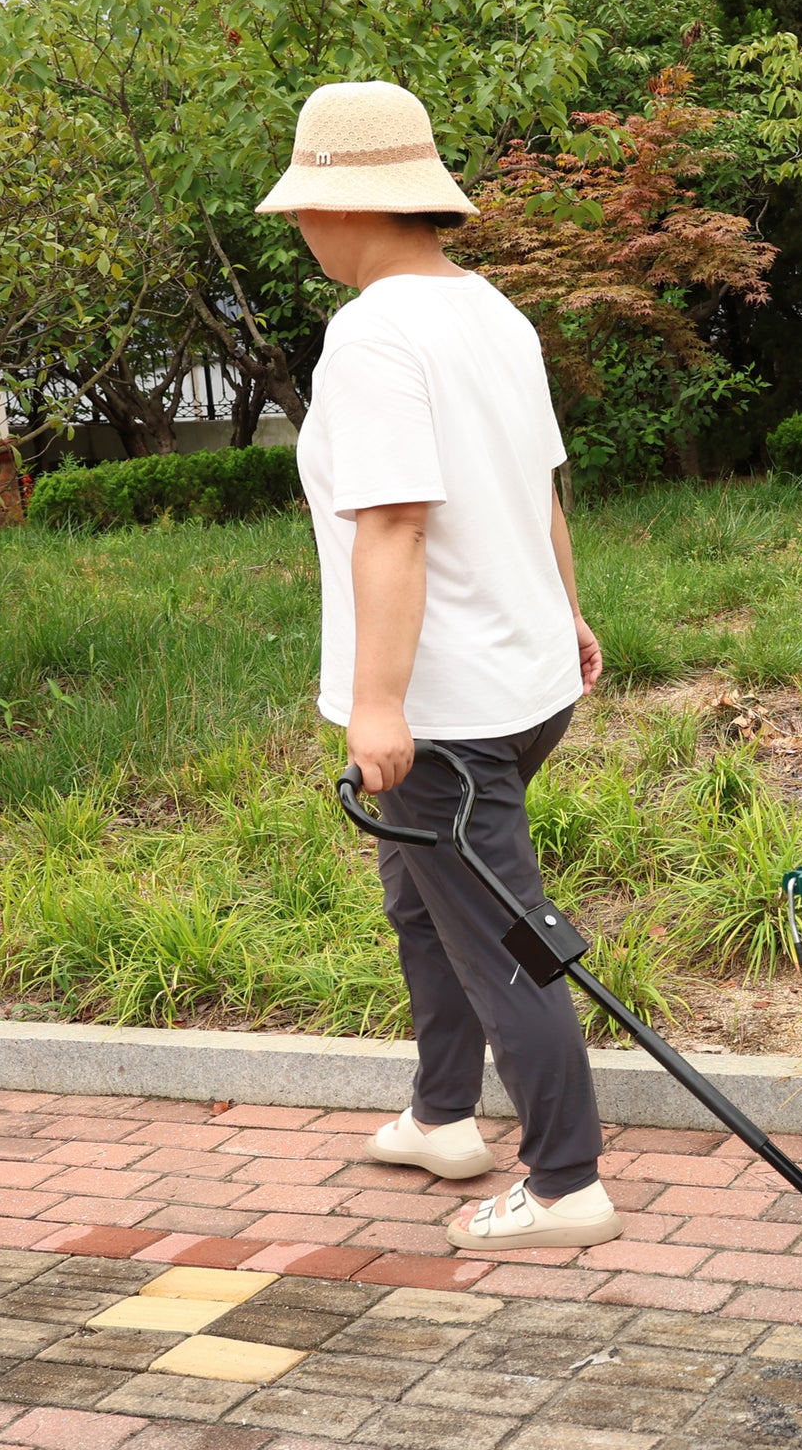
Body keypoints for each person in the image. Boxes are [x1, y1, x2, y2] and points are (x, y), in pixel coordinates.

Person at [258, 79, 623, 1251]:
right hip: (525, 681)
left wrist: (374, 702)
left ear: (339, 208)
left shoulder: (371, 331)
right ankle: (442, 1113)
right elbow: (542, 488)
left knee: (500, 930)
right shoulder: (489, 310)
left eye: (302, 209)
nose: (298, 230)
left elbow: (395, 523)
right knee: (423, 901)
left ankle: (566, 1182)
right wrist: (570, 613)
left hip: (444, 710)